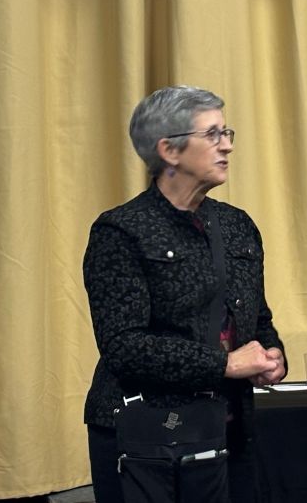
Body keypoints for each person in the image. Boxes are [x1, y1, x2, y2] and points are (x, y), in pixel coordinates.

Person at [83, 86, 286, 503]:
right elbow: (125, 347)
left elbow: (255, 317)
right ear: (169, 151)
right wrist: (224, 364)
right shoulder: (121, 231)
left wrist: (271, 352)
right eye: (212, 134)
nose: (227, 145)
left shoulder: (236, 226)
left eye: (227, 132)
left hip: (230, 431)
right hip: (148, 440)